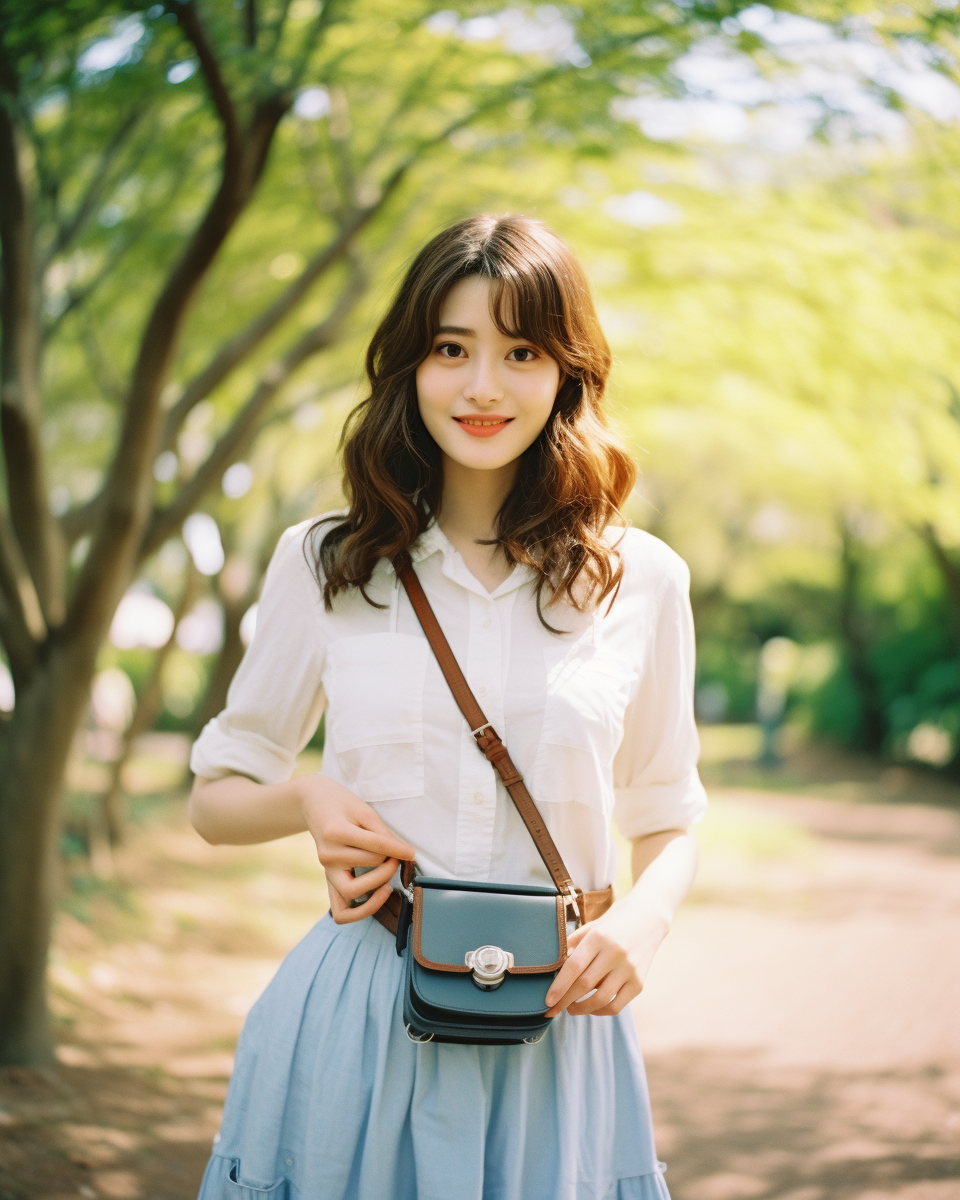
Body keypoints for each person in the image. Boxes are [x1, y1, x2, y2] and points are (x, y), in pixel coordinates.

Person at [188, 214, 707, 1200]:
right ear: (409, 367)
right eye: (450, 349)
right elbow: (214, 797)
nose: (482, 387)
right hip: (357, 1025)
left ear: (569, 368)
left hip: (556, 1036)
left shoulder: (642, 581)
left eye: (520, 351)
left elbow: (668, 812)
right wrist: (304, 798)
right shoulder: (327, 561)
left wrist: (644, 923)